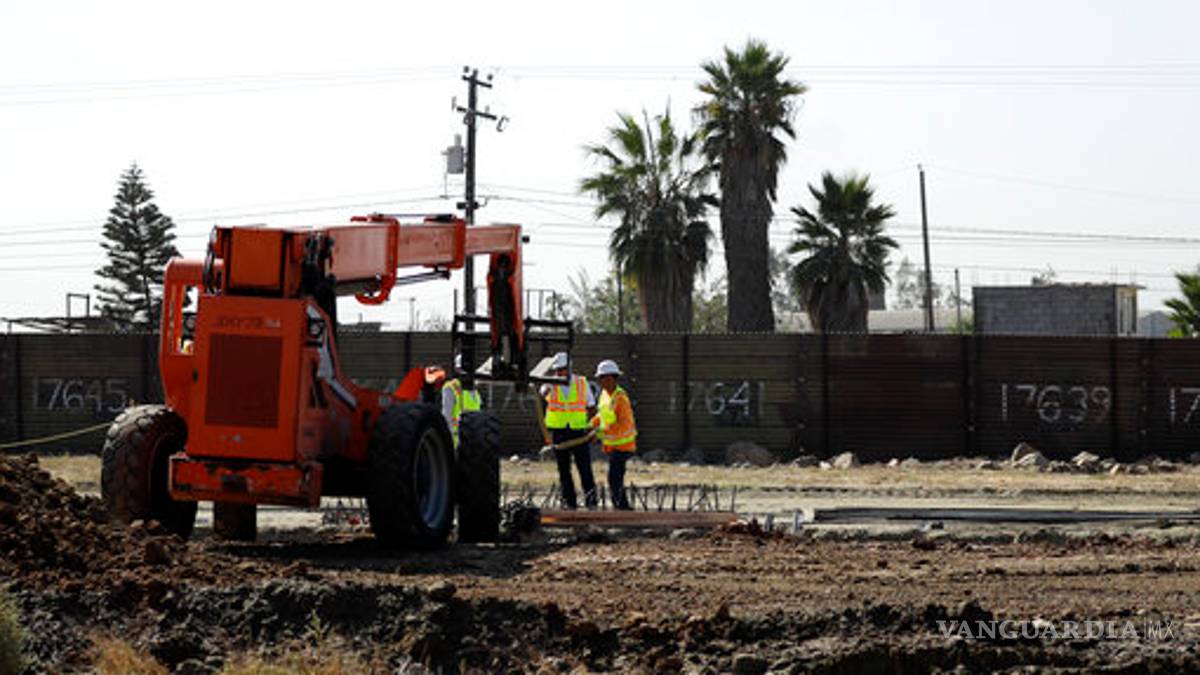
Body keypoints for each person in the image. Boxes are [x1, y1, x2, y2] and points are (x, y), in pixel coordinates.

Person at [541, 352, 598, 509]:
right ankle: (569, 502)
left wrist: (593, 430)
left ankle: (591, 501)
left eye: (562, 369)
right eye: (557, 370)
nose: (559, 373)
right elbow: (542, 392)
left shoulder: (581, 383)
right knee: (564, 470)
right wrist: (549, 383)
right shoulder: (550, 383)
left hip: (578, 432)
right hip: (559, 433)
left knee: (584, 468)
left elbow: (592, 407)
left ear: (569, 368)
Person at [589, 359, 637, 510]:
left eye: (602, 378)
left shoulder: (620, 398)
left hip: (623, 445)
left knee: (614, 478)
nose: (600, 382)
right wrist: (589, 426)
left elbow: (623, 426)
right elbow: (602, 416)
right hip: (612, 446)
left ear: (610, 378)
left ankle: (622, 508)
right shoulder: (605, 395)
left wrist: (600, 434)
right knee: (615, 478)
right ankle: (621, 506)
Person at [442, 354, 481, 447]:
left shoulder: (474, 390)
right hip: (456, 441)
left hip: (472, 440)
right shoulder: (451, 387)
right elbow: (446, 415)